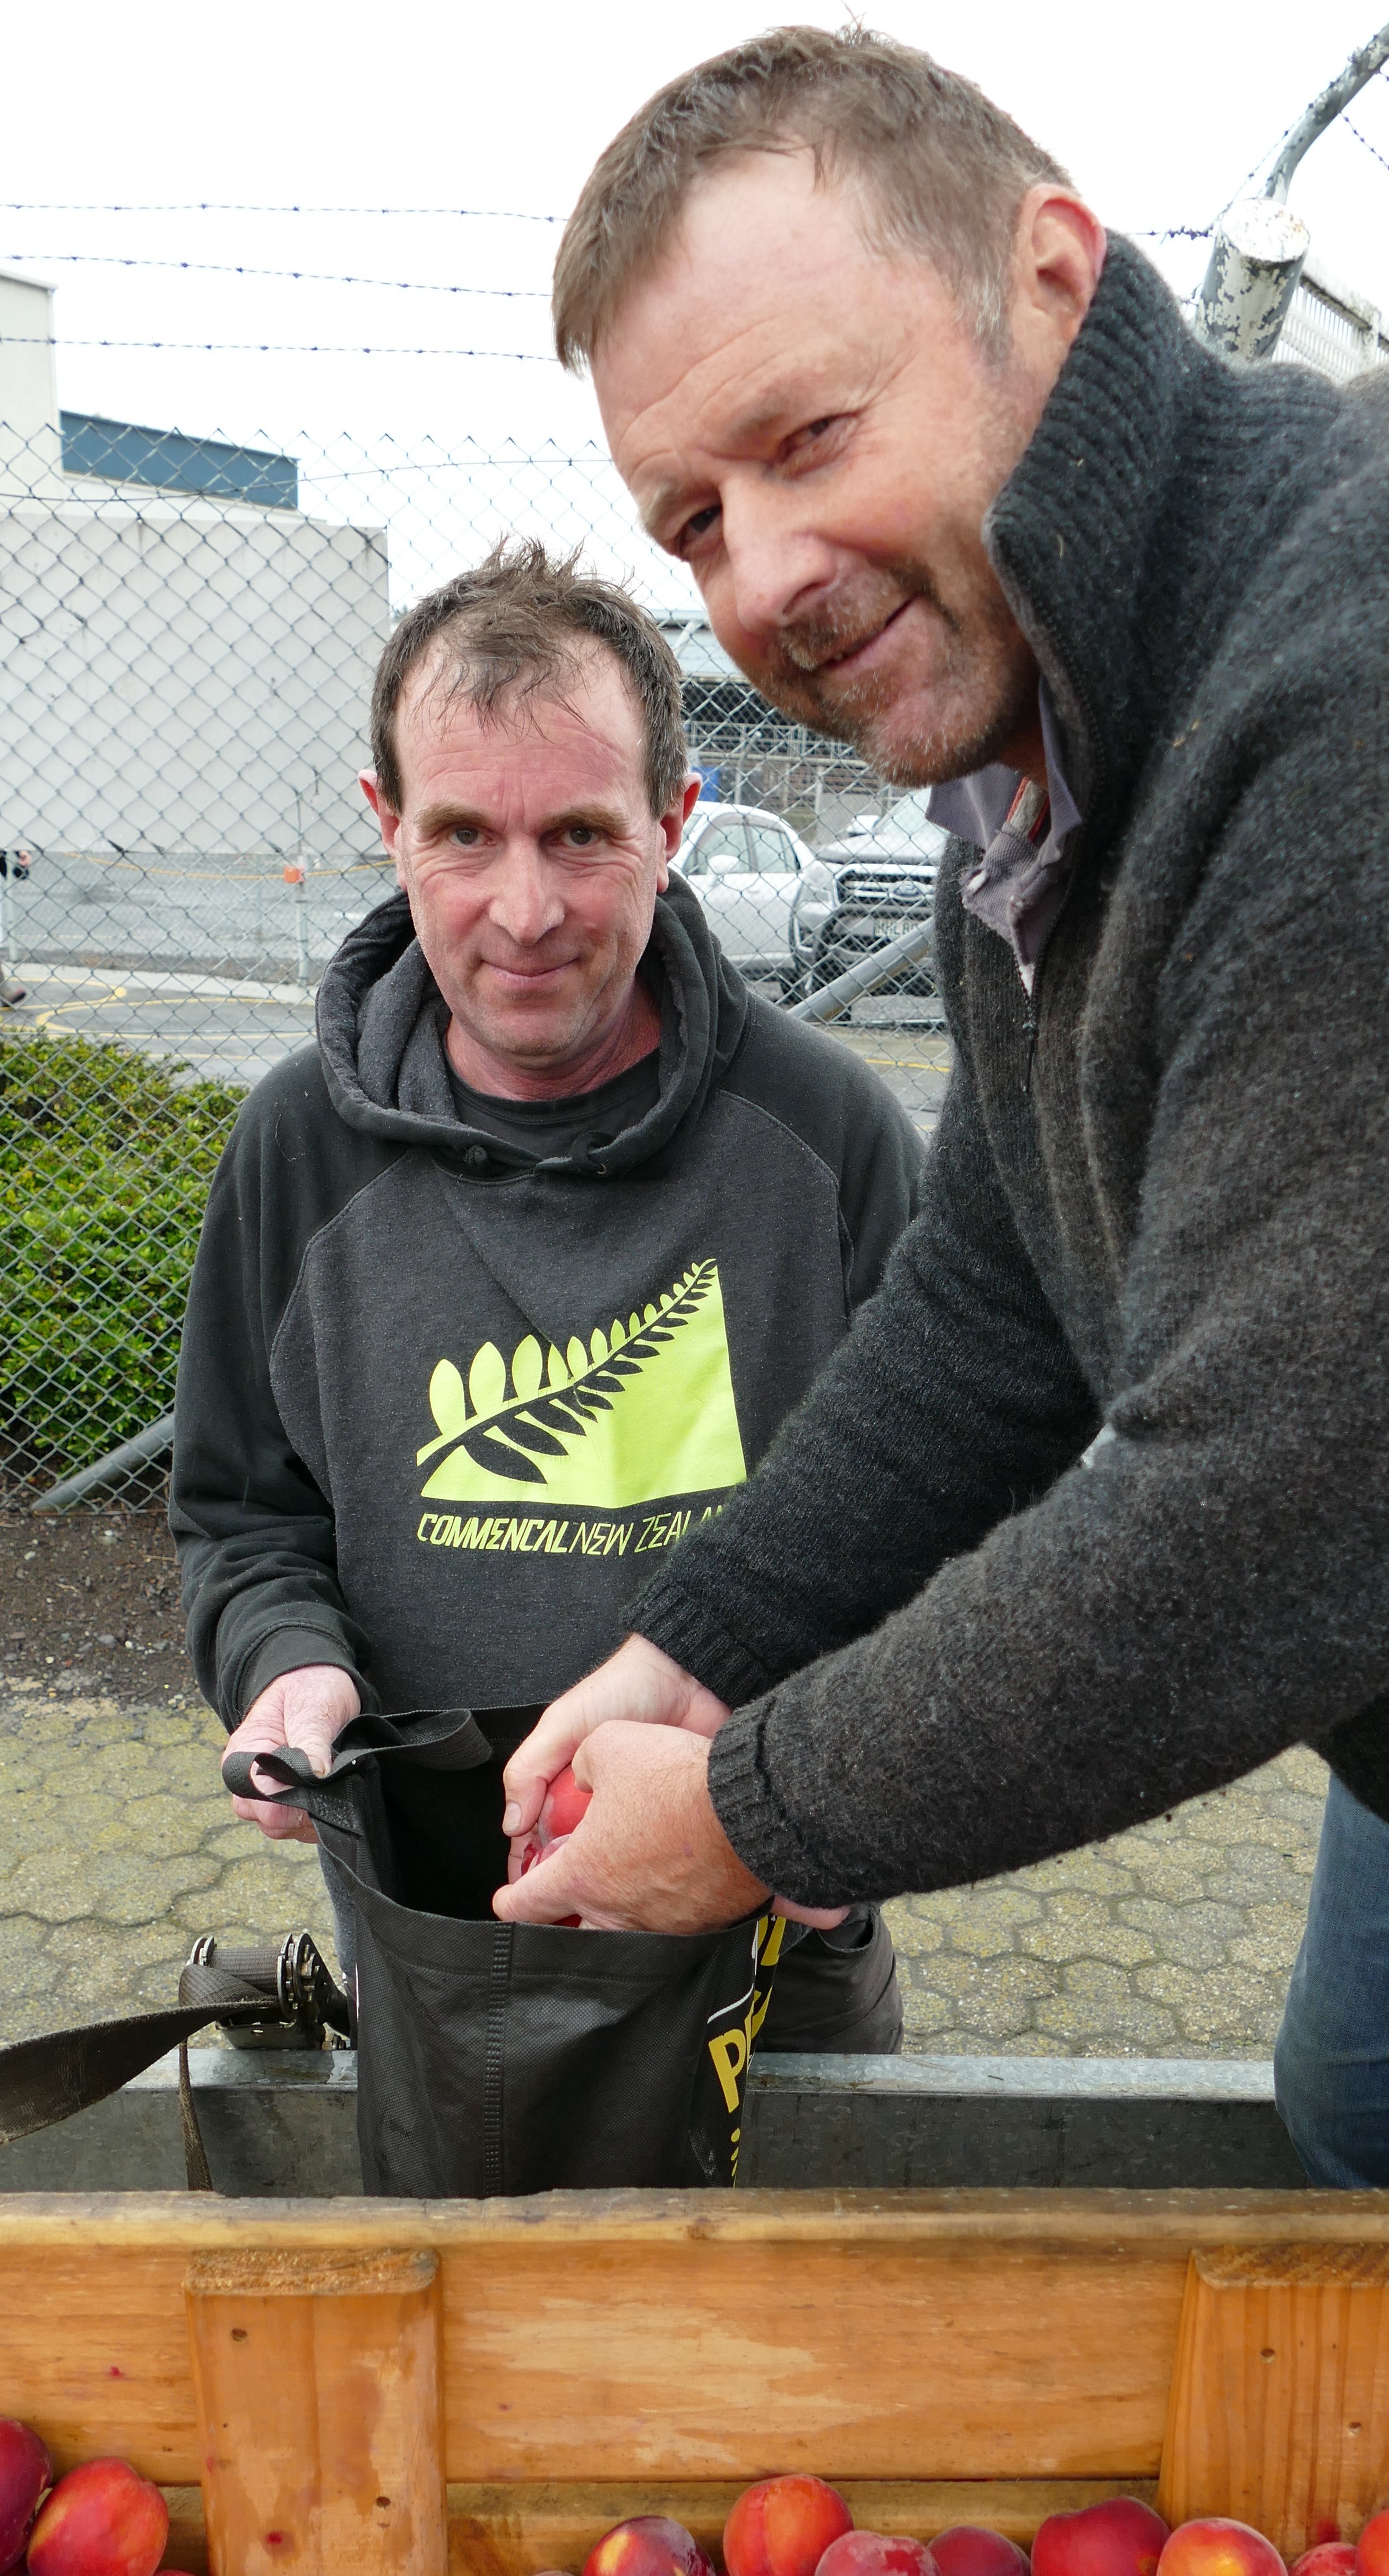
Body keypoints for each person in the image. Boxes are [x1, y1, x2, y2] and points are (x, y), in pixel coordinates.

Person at [491, 29, 1389, 2191]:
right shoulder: (1043, 705)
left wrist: (759, 1808)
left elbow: (1280, 1505)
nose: (758, 576)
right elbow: (1004, 1269)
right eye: (691, 519)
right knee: (1354, 2148)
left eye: (809, 434)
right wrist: (700, 1648)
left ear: (1043, 274)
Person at [171, 538, 921, 2054]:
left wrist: (818, 1813)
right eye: (463, 835)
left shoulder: (831, 1140)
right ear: (389, 829)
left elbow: (931, 1528)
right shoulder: (295, 1149)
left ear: (674, 823)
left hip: (764, 1913)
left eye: (581, 836)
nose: (522, 913)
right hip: (433, 1924)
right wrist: (290, 1668)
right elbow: (246, 1518)